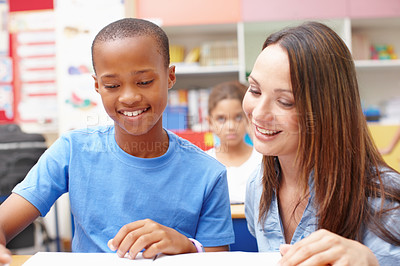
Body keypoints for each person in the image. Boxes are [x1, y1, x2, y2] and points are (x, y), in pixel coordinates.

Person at [0, 18, 234, 265]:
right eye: (112, 85)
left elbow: (218, 259)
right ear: (97, 86)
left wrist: (187, 246)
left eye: (144, 82)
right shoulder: (72, 151)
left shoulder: (209, 173)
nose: (130, 97)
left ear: (170, 77)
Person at [243, 21, 400, 265]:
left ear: (327, 110)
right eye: (254, 90)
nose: (259, 113)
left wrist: (369, 262)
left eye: (285, 102)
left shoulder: (383, 199)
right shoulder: (258, 186)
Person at [206, 81, 262, 204]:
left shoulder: (263, 160)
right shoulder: (203, 162)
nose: (231, 126)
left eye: (238, 117)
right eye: (221, 119)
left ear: (249, 117)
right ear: (210, 122)